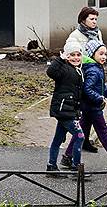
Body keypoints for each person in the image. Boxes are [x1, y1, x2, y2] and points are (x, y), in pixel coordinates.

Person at [61, 39, 107, 170]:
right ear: (91, 54)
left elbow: (103, 88)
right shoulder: (94, 70)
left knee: (80, 131)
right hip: (93, 108)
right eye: (101, 54)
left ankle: (67, 157)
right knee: (104, 133)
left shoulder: (94, 68)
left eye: (105, 54)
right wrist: (99, 98)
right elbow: (87, 89)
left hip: (88, 107)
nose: (104, 57)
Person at [64, 7, 103, 152]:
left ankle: (83, 142)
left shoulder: (97, 32)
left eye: (96, 19)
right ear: (83, 20)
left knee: (88, 114)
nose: (94, 22)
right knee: (87, 111)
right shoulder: (75, 36)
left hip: (95, 72)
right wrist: (89, 61)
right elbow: (70, 54)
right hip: (83, 73)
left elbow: (100, 47)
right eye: (91, 19)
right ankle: (73, 149)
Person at [46, 39, 85, 175]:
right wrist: (60, 59)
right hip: (63, 110)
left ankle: (51, 165)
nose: (75, 58)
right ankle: (76, 167)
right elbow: (51, 72)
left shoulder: (79, 70)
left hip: (69, 109)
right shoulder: (63, 68)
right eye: (72, 55)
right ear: (67, 56)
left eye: (78, 55)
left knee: (58, 139)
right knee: (79, 136)